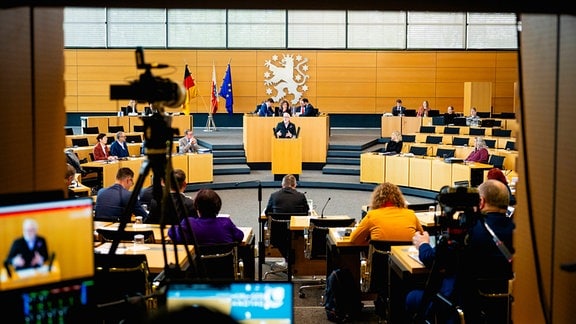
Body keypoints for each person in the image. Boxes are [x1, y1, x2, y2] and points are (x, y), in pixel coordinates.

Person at [406, 179, 515, 323]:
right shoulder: (519, 233)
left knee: (411, 297)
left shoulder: (469, 233)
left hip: (461, 307)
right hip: (505, 310)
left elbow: (433, 260)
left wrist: (423, 244)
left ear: (481, 202)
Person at [349, 182, 424, 245]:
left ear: (377, 199)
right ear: (400, 199)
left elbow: (354, 239)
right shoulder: (411, 214)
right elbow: (422, 239)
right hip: (404, 261)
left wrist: (370, 242)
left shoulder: (372, 215)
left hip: (379, 260)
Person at [167, 188, 244, 245]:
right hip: (223, 266)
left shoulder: (189, 224)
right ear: (218, 206)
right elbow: (240, 236)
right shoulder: (226, 222)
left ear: (196, 207)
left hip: (197, 265)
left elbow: (171, 233)